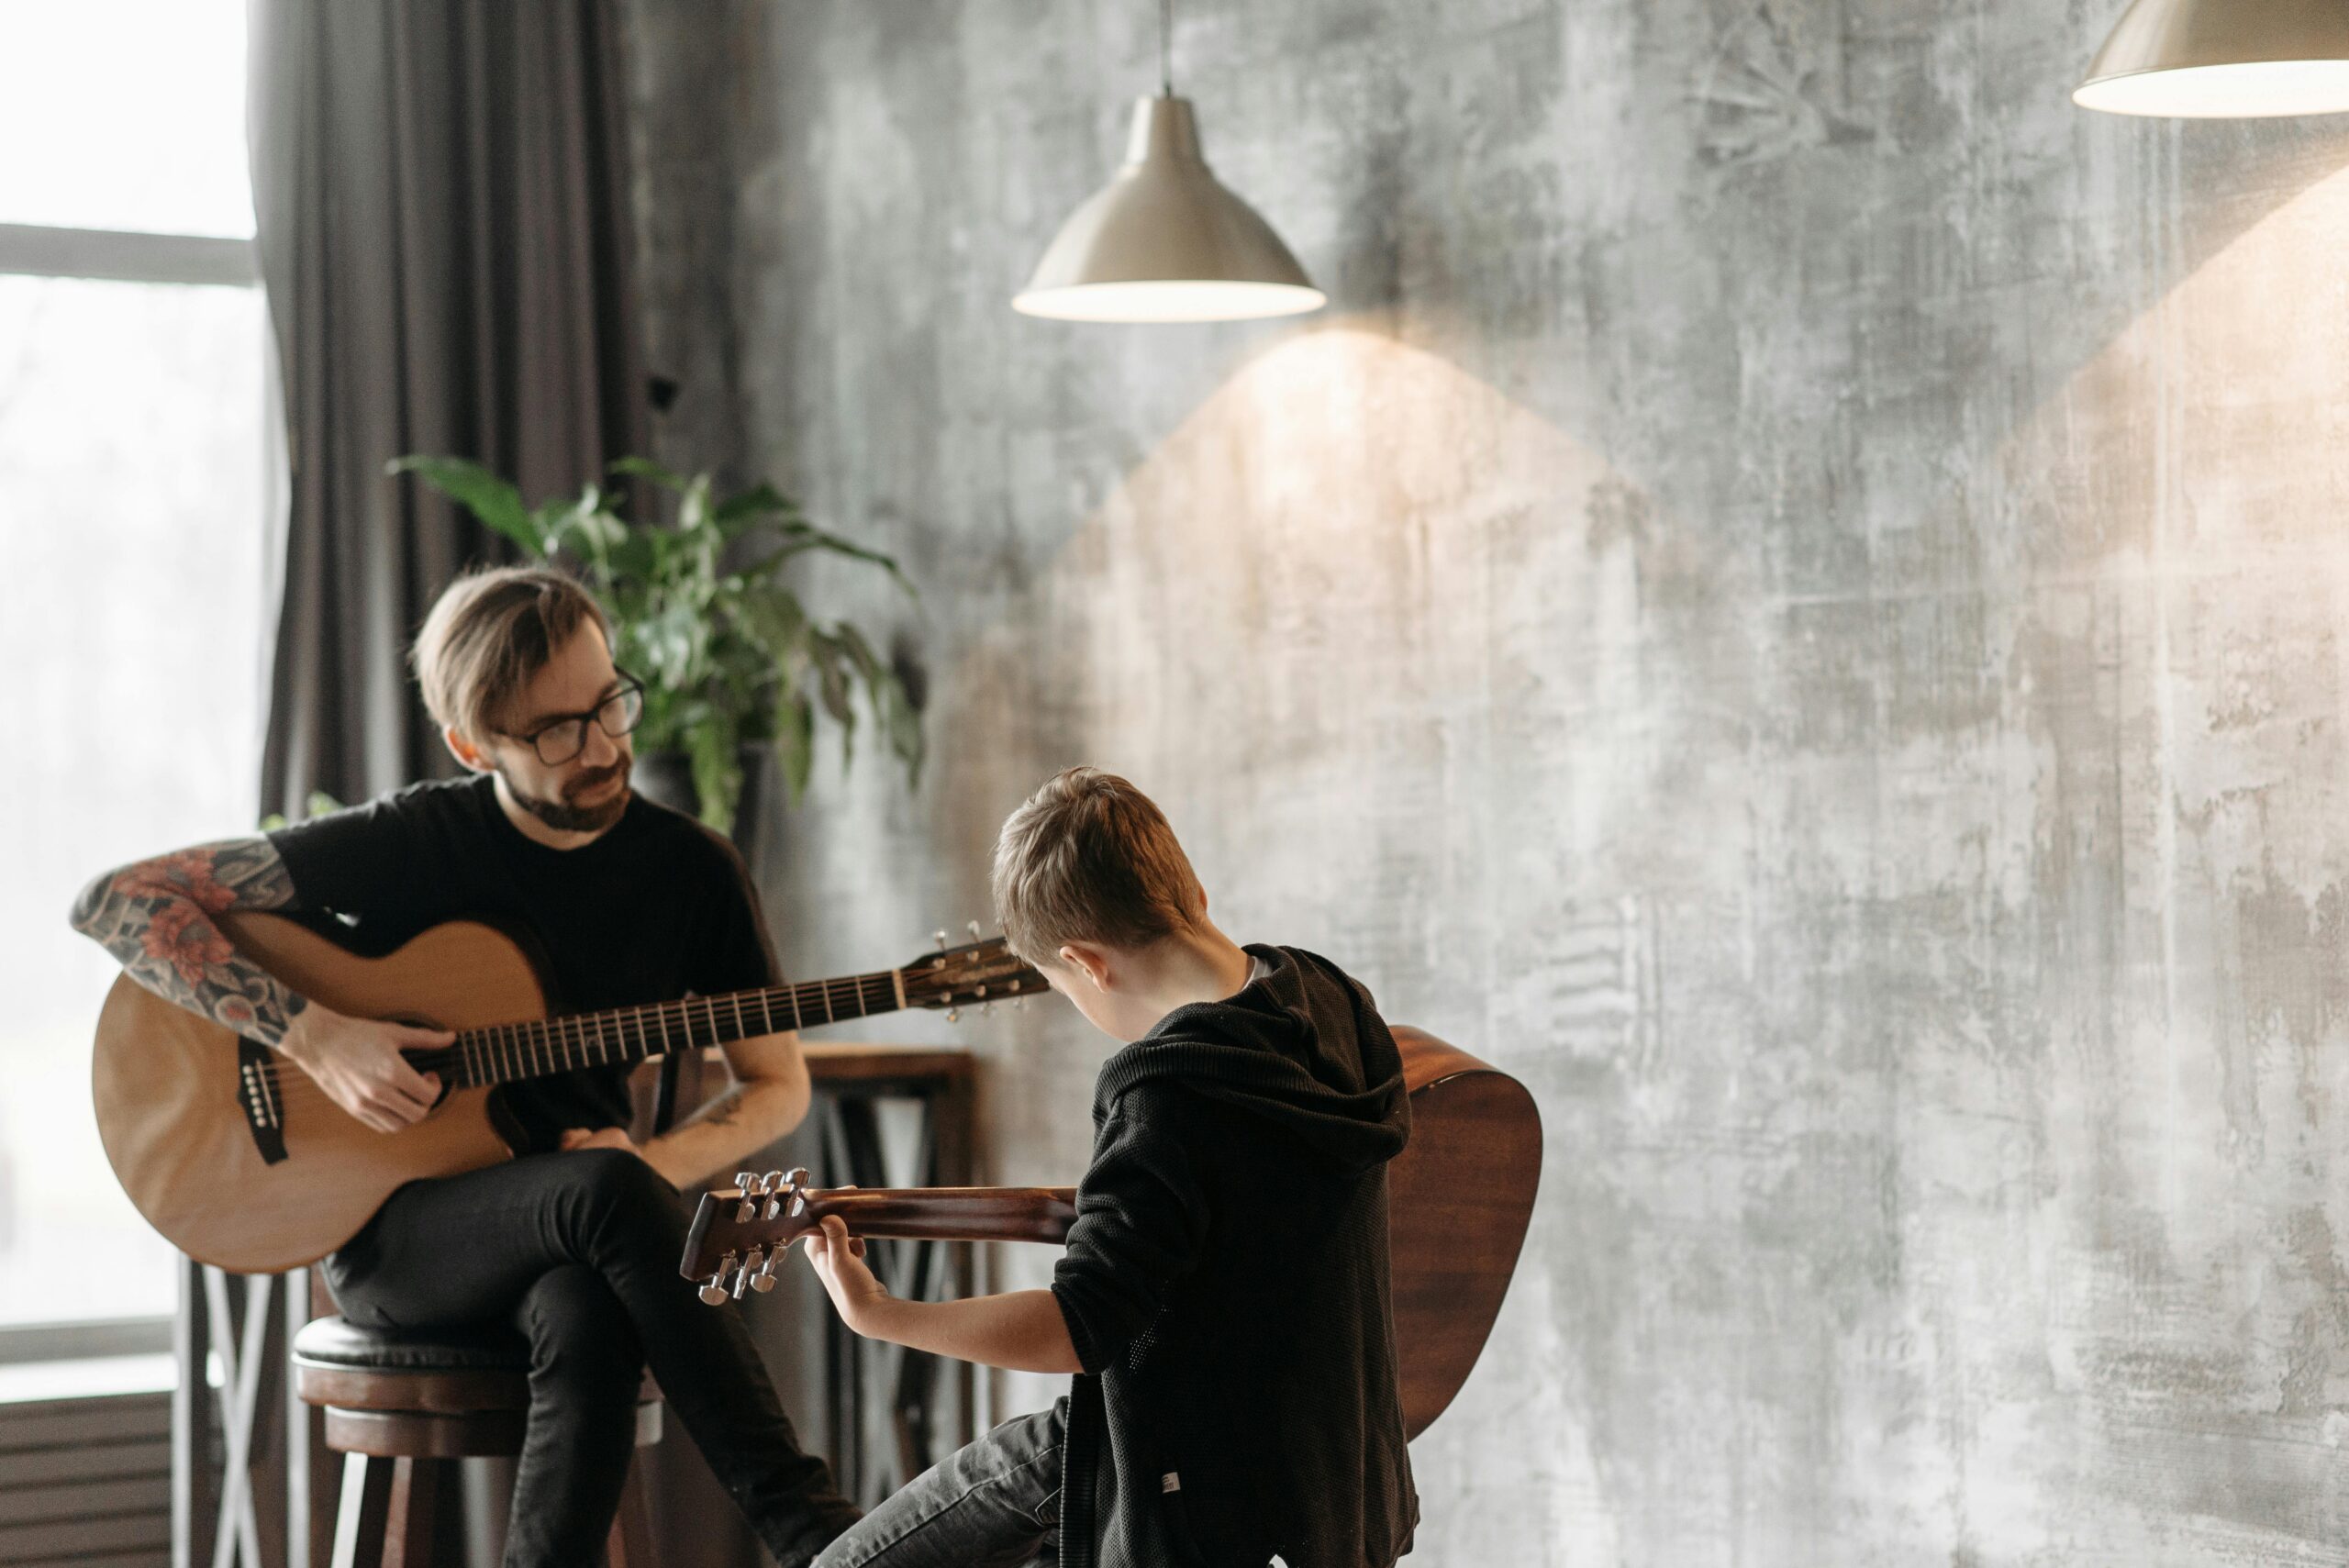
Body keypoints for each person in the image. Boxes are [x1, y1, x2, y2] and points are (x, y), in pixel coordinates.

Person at [69, 565, 860, 1568]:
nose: (608, 744)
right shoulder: (415, 840)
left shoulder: (691, 870)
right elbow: (116, 900)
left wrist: (644, 1168)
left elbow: (776, 1081)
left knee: (589, 1305)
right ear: (473, 743)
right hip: (397, 1233)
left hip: (578, 1220)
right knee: (604, 1206)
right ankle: (820, 1537)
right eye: (558, 730)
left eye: (610, 699)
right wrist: (313, 1033)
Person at [797, 766, 1419, 1568]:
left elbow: (1079, 1325)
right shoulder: (1334, 999)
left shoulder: (1167, 1095)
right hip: (1345, 1493)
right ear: (1190, 886)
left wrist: (881, 1313)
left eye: (1060, 985)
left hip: (1196, 1509)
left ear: (1084, 961)